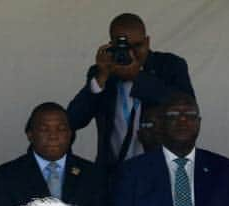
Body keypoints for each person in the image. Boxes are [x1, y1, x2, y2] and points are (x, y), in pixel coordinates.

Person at [66, 12, 193, 176]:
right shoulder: (103, 72)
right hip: (114, 174)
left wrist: (137, 78)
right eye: (124, 47)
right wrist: (100, 80)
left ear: (147, 42)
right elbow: (73, 119)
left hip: (159, 172)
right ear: (111, 45)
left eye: (137, 46)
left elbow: (187, 109)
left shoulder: (169, 66)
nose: (131, 54)